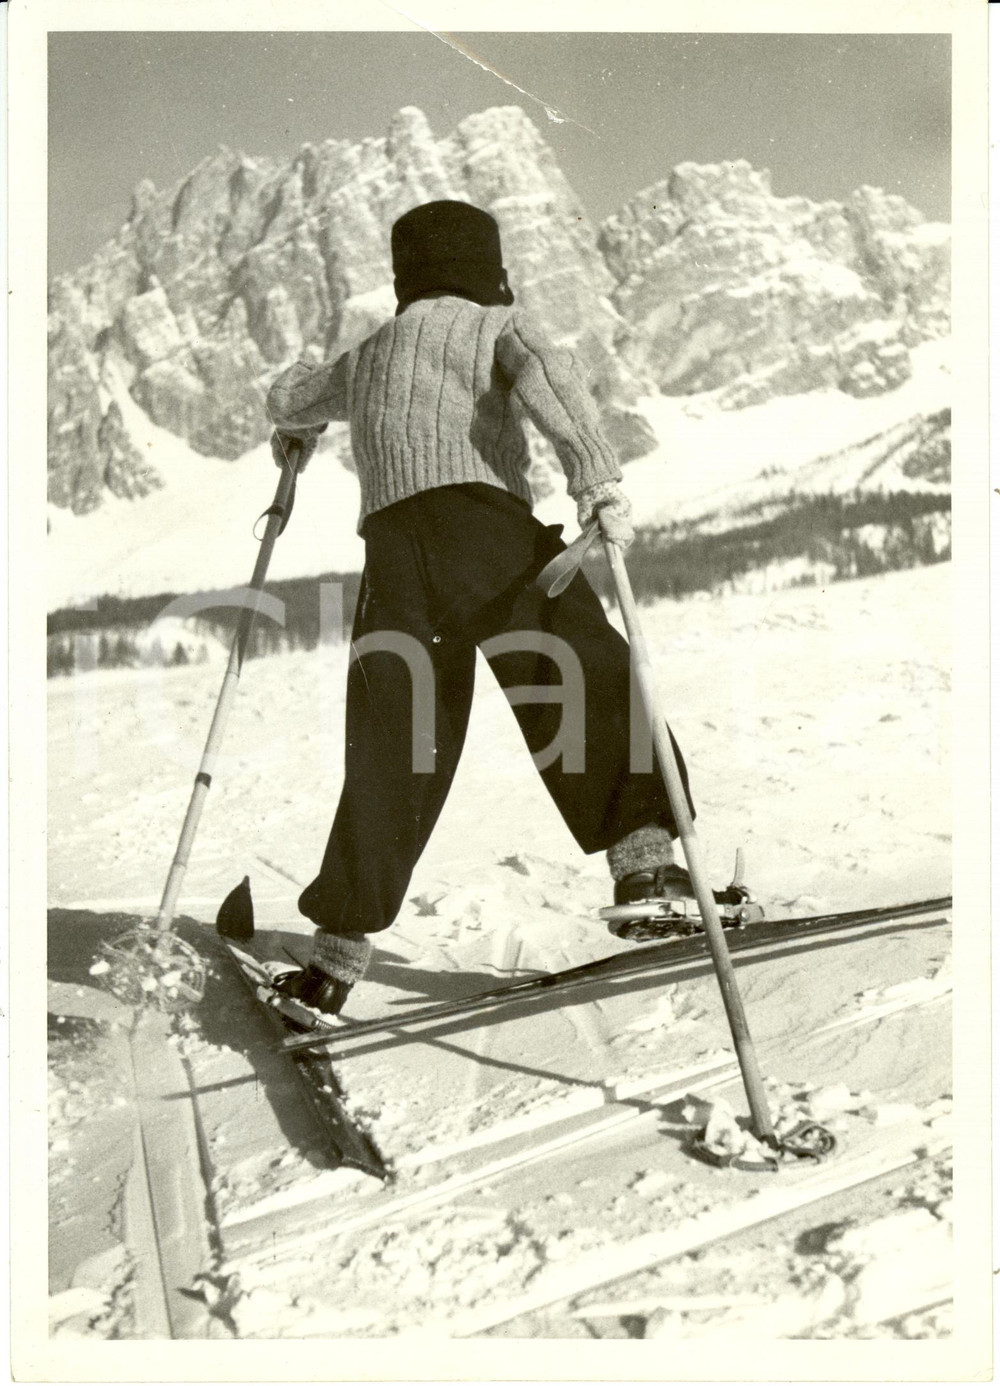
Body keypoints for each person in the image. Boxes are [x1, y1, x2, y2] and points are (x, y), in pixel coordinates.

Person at [265, 200, 698, 1019]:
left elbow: (292, 395)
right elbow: (554, 388)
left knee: (396, 741)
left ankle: (334, 961)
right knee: (576, 668)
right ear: (487, 265)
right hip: (482, 532)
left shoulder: (368, 355)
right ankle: (643, 863)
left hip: (393, 559)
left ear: (405, 276)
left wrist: (290, 424)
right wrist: (597, 480)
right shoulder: (497, 324)